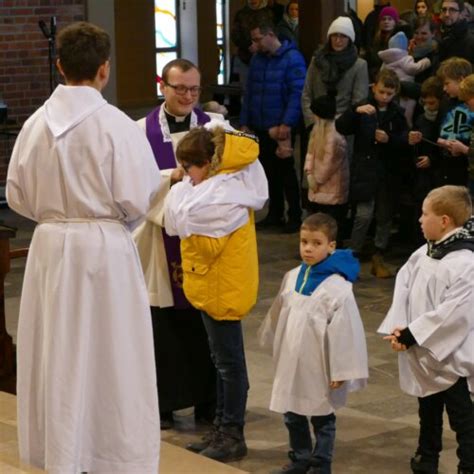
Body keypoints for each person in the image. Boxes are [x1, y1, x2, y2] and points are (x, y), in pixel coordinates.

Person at [6, 21, 161, 473]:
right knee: (112, 353)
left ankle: (61, 452)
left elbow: (17, 195)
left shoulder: (34, 126)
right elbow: (141, 193)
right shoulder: (116, 125)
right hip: (103, 247)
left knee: (58, 349)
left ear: (59, 66)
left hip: (51, 248)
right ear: (104, 69)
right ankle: (110, 453)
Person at [164, 125, 268, 463]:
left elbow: (205, 247)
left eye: (191, 167)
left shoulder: (226, 195)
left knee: (230, 366)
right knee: (222, 363)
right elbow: (186, 225)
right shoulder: (213, 191)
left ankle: (232, 434)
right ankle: (222, 426)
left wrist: (187, 227)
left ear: (208, 163)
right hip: (214, 286)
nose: (187, 177)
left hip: (225, 287)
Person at [133, 58, 217, 430]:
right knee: (162, 323)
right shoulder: (139, 132)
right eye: (179, 87)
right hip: (157, 240)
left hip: (206, 242)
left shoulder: (216, 130)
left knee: (204, 323)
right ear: (162, 87)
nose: (187, 95)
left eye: (194, 89)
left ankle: (208, 404)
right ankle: (164, 403)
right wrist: (174, 176)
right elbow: (134, 184)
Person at [259, 213, 368, 474]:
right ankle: (300, 458)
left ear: (331, 245)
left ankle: (321, 463)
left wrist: (341, 371)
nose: (308, 248)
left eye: (316, 243)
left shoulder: (337, 287)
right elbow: (280, 313)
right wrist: (276, 343)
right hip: (291, 357)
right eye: (304, 241)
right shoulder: (293, 275)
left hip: (319, 362)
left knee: (321, 415)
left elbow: (346, 332)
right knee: (291, 411)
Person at [378, 185, 474, 474]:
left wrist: (411, 335)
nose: (419, 220)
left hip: (452, 354)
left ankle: (468, 465)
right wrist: (399, 332)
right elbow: (403, 290)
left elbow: (454, 314)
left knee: (463, 418)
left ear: (444, 220)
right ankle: (426, 457)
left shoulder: (466, 263)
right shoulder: (423, 253)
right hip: (421, 348)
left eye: (424, 214)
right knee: (428, 410)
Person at [336, 68, 409, 277]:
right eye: (381, 92)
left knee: (384, 216)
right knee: (363, 215)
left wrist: (390, 139)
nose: (384, 97)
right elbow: (342, 127)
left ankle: (379, 255)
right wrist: (354, 111)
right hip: (365, 170)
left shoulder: (397, 113)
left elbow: (403, 140)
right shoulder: (363, 108)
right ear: (374, 88)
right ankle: (352, 256)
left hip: (387, 172)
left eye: (389, 94)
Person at [240, 16, 306, 233]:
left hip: (279, 125)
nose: (255, 44)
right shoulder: (258, 59)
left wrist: (287, 123)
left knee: (286, 172)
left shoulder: (292, 58)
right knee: (268, 172)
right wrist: (244, 122)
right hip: (259, 124)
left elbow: (297, 94)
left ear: (271, 35)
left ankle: (294, 215)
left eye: (258, 39)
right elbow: (249, 92)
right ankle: (275, 213)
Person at [304, 93, 349, 247]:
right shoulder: (317, 132)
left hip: (331, 188)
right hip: (316, 186)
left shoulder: (335, 136)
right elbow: (310, 153)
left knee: (331, 225)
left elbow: (329, 163)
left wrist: (317, 179)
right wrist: (309, 172)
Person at [408, 76, 444, 245]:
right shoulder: (421, 119)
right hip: (422, 178)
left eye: (432, 103)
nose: (428, 107)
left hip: (439, 175)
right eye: (425, 103)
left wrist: (433, 160)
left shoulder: (445, 119)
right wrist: (413, 142)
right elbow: (414, 149)